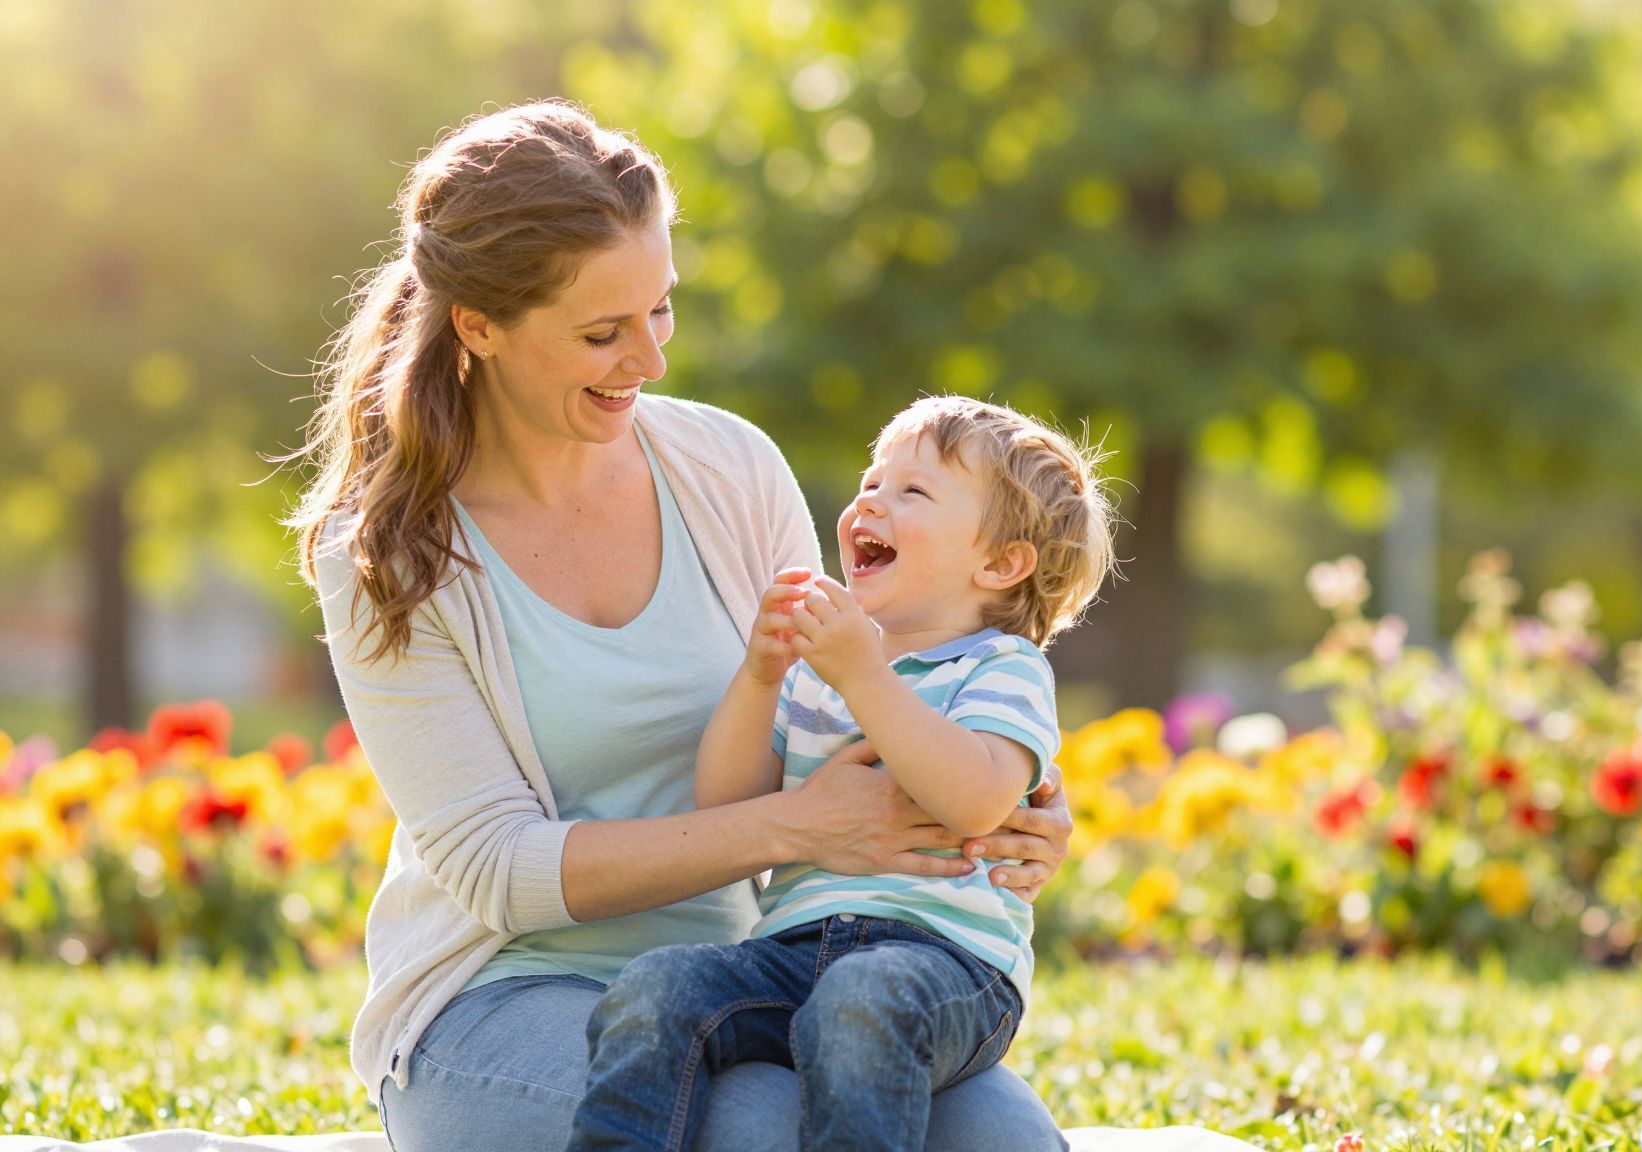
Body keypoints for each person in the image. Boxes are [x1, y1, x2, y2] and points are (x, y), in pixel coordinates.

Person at [288, 99, 1072, 1152]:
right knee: (768, 1131)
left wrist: (1007, 801)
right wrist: (794, 829)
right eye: (601, 333)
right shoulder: (387, 552)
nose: (648, 361)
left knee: (999, 1144)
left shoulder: (727, 465)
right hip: (505, 992)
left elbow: (871, 686)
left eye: (660, 310)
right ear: (478, 327)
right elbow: (499, 873)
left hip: (770, 966)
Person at [566, 397, 1116, 1150]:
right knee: (656, 988)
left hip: (947, 966)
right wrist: (761, 677)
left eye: (911, 492)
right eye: (871, 480)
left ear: (1000, 563)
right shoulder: (822, 670)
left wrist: (864, 675)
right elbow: (730, 803)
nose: (870, 500)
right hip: (793, 953)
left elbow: (978, 800)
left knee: (860, 999)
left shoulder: (1002, 668)